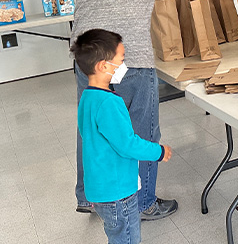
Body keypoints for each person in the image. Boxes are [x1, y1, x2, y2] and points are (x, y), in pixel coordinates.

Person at [42, 0, 206, 219]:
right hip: (127, 51)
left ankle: (88, 196)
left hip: (87, 51)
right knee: (140, 128)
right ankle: (143, 201)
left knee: (92, 122)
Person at [71, 28, 172, 244]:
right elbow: (127, 144)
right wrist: (159, 151)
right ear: (103, 66)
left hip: (100, 188)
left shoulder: (87, 98)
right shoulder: (110, 103)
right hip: (118, 193)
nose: (123, 65)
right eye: (121, 59)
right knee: (127, 239)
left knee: (117, 236)